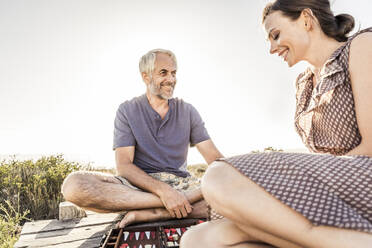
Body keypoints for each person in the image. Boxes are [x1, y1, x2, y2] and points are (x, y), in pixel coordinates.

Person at [180, 0, 372, 247]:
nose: (272, 48)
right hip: (331, 194)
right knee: (199, 239)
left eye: (276, 35)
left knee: (219, 175)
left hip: (363, 181)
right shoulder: (304, 84)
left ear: (306, 19)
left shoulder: (361, 46)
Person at [62, 49, 223, 228]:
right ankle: (175, 204)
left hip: (182, 185)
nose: (171, 79)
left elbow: (215, 159)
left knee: (235, 200)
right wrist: (164, 192)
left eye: (173, 73)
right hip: (139, 188)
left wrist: (235, 175)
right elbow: (124, 166)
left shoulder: (188, 111)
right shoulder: (127, 110)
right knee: (74, 186)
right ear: (146, 77)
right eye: (163, 73)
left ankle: (155, 212)